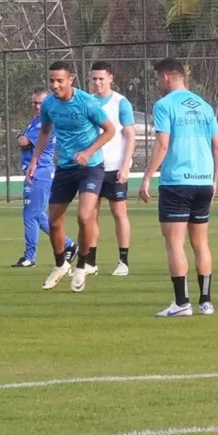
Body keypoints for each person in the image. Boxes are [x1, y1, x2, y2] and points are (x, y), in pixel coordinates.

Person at [139, 58, 218, 318]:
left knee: (175, 243)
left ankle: (181, 303)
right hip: (202, 182)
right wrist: (214, 179)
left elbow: (162, 145)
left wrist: (147, 177)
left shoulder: (164, 105)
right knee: (201, 243)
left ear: (166, 77)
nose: (155, 84)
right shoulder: (205, 106)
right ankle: (206, 302)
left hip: (176, 181)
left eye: (155, 79)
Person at [27, 61, 117, 294]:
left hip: (91, 167)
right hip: (65, 168)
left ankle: (81, 266)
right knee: (54, 221)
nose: (55, 85)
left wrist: (88, 152)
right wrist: (35, 160)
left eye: (59, 80)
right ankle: (60, 265)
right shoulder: (48, 105)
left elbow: (110, 130)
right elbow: (45, 131)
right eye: (51, 81)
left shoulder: (87, 102)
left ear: (71, 80)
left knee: (85, 216)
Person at [11, 88, 73, 268]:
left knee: (30, 215)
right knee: (39, 216)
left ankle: (30, 257)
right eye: (35, 103)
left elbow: (23, 142)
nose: (37, 106)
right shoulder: (36, 121)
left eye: (41, 103)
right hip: (33, 172)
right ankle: (69, 244)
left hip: (40, 173)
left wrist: (19, 137)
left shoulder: (45, 124)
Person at [88, 62, 137, 277]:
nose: (97, 82)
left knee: (119, 213)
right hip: (93, 167)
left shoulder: (121, 103)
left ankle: (123, 261)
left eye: (101, 78)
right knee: (90, 215)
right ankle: (90, 262)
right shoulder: (87, 102)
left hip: (116, 167)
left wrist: (126, 166)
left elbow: (130, 136)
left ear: (111, 78)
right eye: (94, 79)